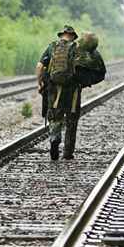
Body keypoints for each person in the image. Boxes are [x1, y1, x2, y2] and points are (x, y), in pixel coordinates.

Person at [36, 25, 82, 160]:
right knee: (71, 120)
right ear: (73, 36)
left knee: (55, 117)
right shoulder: (77, 48)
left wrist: (40, 83)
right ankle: (68, 153)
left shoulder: (52, 47)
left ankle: (54, 142)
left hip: (54, 90)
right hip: (72, 92)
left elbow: (39, 66)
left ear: (62, 35)